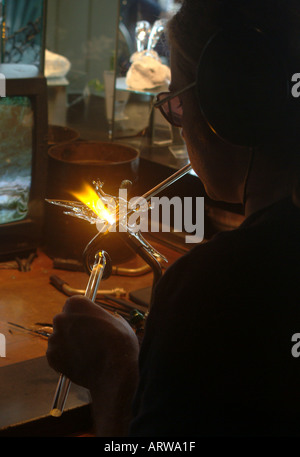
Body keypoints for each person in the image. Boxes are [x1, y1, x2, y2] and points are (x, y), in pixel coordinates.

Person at [47, 0, 300, 437]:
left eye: (178, 103)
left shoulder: (219, 288)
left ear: (231, 107)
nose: (178, 123)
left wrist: (115, 370)